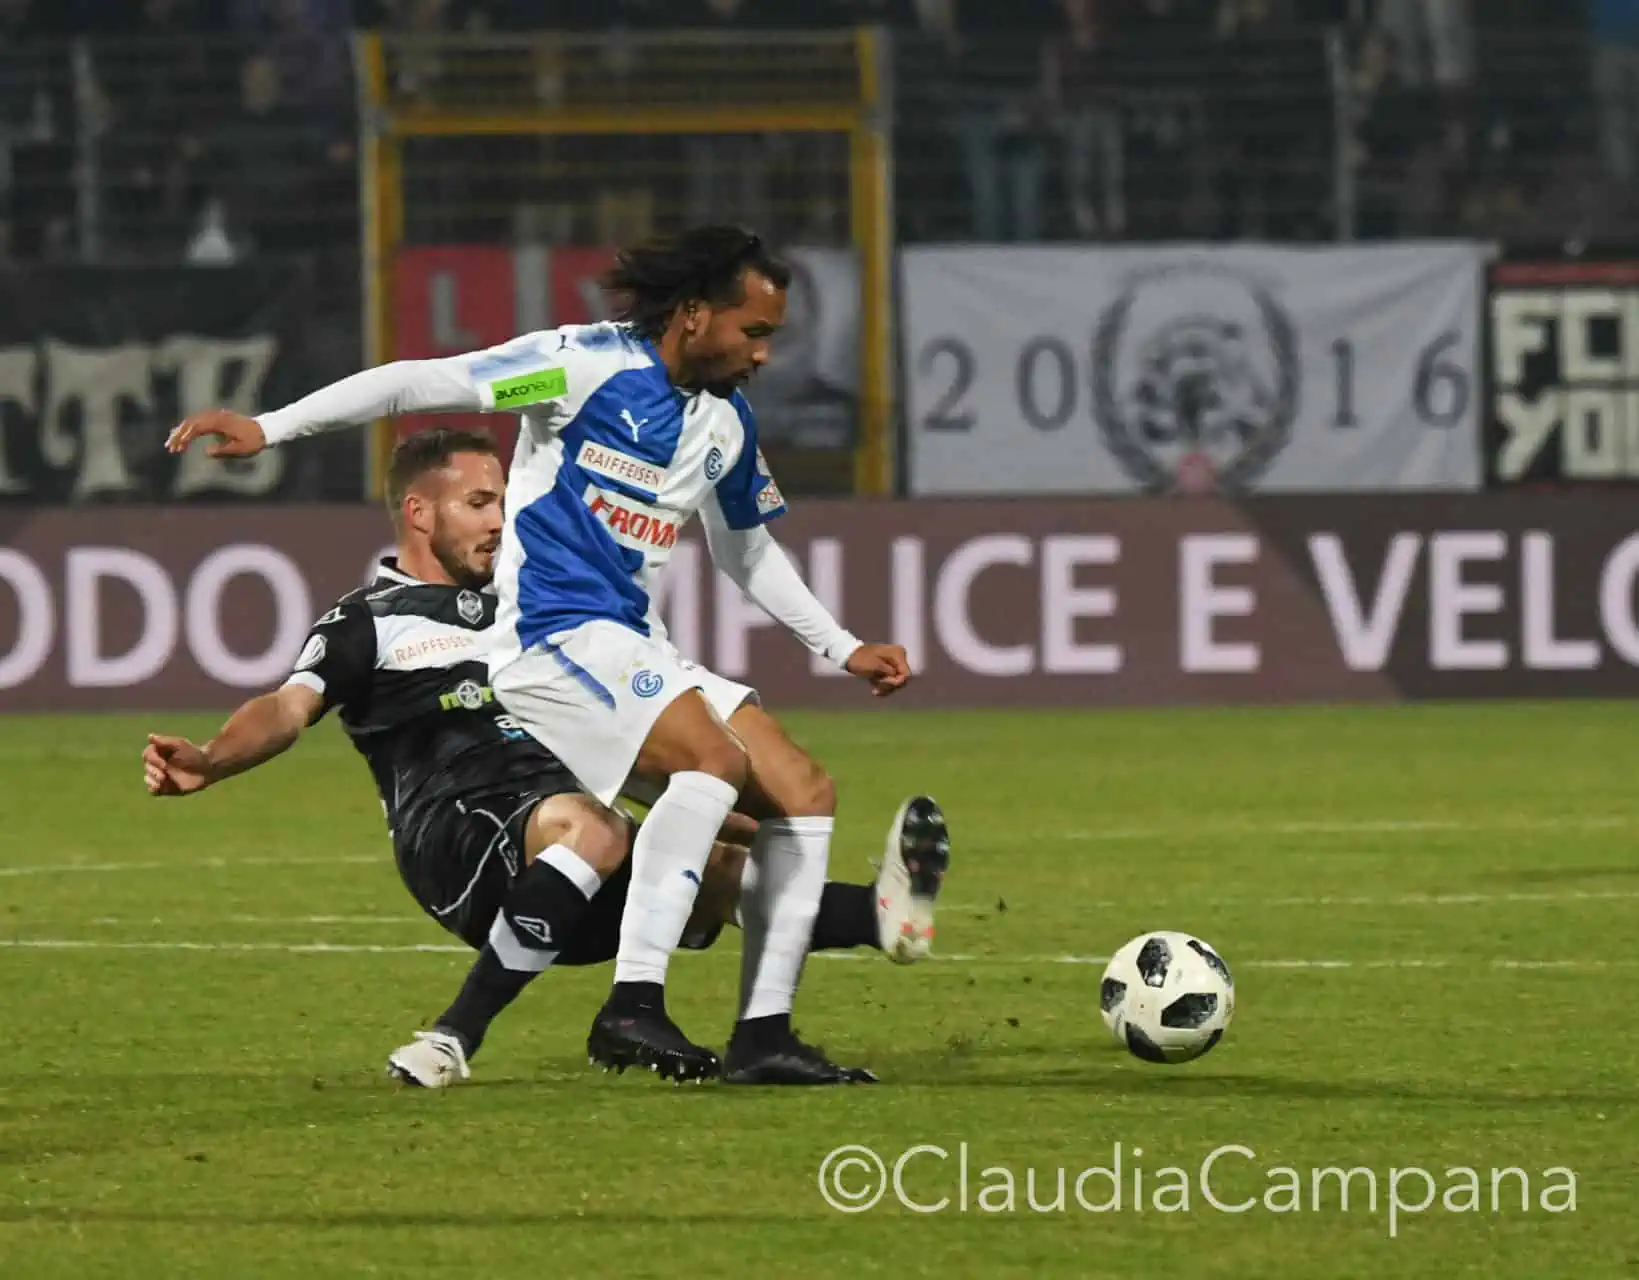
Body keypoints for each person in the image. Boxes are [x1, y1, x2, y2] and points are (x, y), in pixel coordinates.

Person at [167, 227, 913, 1086]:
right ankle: (634, 1004)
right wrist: (271, 425)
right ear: (696, 316)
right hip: (549, 632)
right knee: (708, 763)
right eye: (754, 332)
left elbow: (744, 551)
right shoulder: (578, 366)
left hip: (630, 638)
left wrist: (842, 645)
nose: (765, 354)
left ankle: (765, 1035)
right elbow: (422, 381)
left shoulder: (724, 424)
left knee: (801, 790)